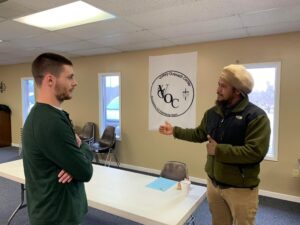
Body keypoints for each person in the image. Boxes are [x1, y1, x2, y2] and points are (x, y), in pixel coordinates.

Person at [159, 64, 271, 225]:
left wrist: (219, 150)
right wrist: (174, 131)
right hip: (214, 185)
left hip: (241, 190)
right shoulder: (212, 113)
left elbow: (255, 152)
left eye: (223, 86)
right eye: (218, 84)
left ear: (237, 91)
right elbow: (199, 134)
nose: (218, 89)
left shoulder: (256, 116)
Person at [22, 53, 94, 225]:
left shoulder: (50, 114)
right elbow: (85, 171)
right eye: (70, 77)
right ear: (50, 80)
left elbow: (79, 165)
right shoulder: (50, 121)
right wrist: (80, 151)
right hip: (56, 216)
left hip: (55, 211)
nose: (75, 82)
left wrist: (74, 161)